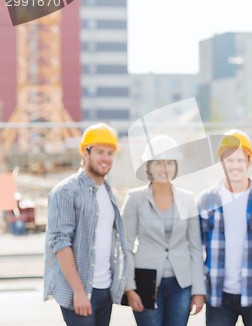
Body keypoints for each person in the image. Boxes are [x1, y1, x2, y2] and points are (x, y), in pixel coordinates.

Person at [198, 129, 252, 326]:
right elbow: (195, 247)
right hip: (219, 296)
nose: (235, 165)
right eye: (229, 159)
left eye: (240, 159)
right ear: (221, 162)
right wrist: (201, 285)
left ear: (249, 160)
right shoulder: (207, 199)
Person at [44, 123, 128, 326]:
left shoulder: (109, 193)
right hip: (80, 292)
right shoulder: (66, 191)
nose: (106, 158)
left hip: (104, 289)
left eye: (110, 153)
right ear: (85, 152)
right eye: (100, 152)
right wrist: (79, 292)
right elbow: (60, 242)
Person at [121, 135, 205, 326]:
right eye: (158, 163)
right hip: (145, 281)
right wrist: (129, 287)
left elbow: (195, 247)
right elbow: (125, 245)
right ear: (148, 167)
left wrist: (199, 290)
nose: (164, 169)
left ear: (176, 166)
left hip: (181, 283)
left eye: (169, 163)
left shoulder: (187, 199)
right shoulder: (135, 199)